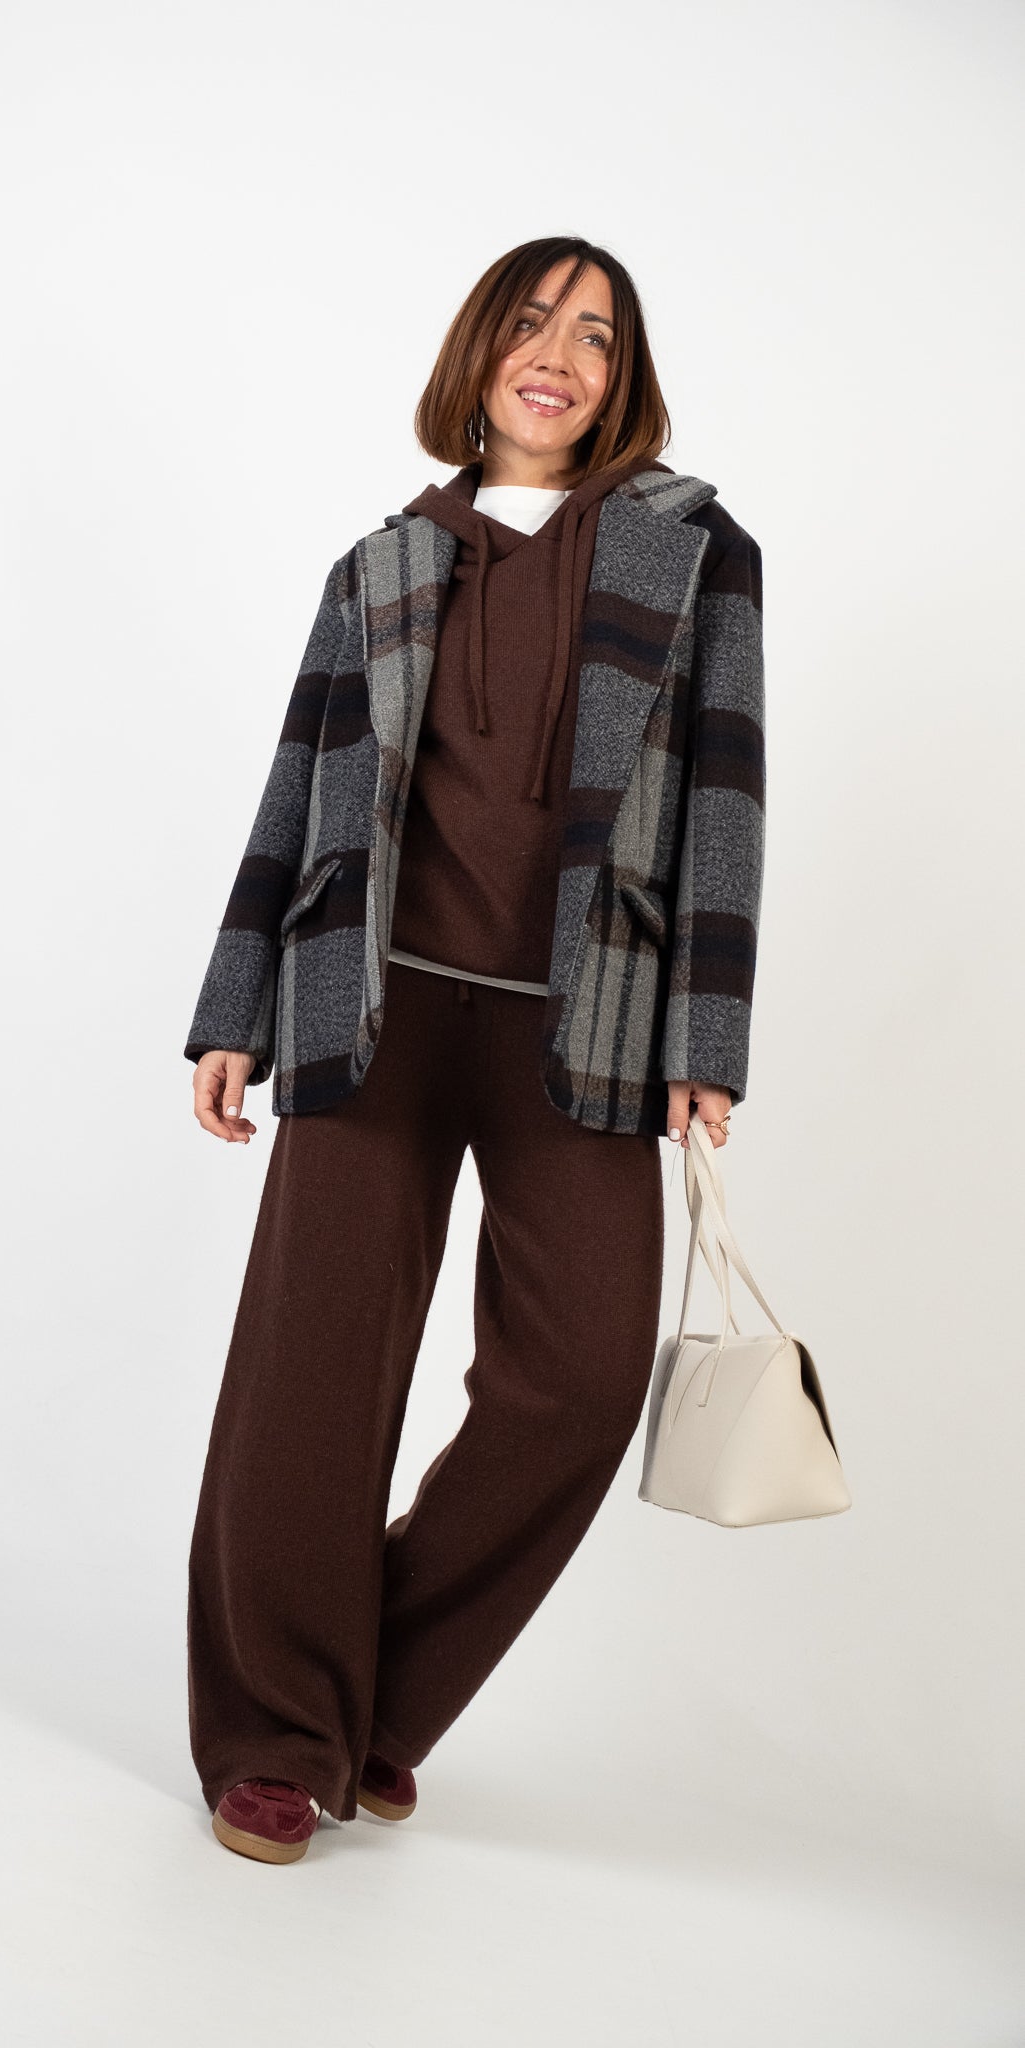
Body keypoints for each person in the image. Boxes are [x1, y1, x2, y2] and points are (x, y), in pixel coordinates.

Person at [182, 236, 766, 1865]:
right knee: (310, 1381)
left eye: (595, 335)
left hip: (586, 1018)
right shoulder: (380, 562)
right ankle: (275, 1737)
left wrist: (707, 1032)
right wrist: (235, 1009)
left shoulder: (696, 553)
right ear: (479, 354)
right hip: (365, 1002)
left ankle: (370, 1699)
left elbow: (725, 801)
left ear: (621, 380)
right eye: (530, 323)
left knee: (575, 1384)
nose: (558, 356)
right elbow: (294, 789)